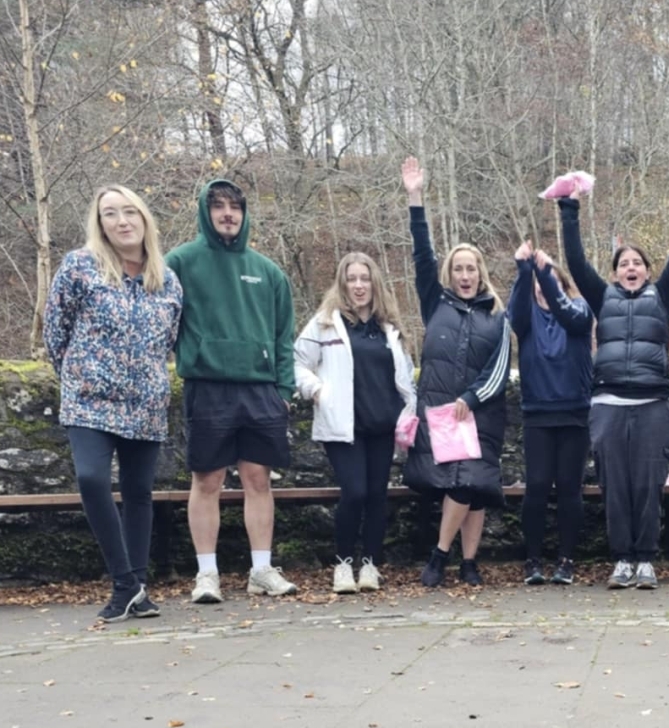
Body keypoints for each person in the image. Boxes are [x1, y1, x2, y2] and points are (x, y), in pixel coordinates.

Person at [44, 185, 182, 623]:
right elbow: (56, 330)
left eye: (129, 212)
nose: (121, 221)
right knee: (91, 479)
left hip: (145, 402)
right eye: (110, 214)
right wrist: (78, 374)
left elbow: (171, 339)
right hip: (88, 400)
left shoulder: (168, 279)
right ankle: (124, 582)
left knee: (139, 493)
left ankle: (136, 590)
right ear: (99, 224)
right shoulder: (80, 267)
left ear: (144, 219)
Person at [555, 172, 669, 589]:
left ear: (648, 271)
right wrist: (570, 208)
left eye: (637, 263)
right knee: (615, 487)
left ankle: (646, 560)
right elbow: (577, 262)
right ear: (615, 273)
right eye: (623, 264)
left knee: (647, 487)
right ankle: (621, 559)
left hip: (654, 405)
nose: (630, 268)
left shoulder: (663, 295)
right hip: (609, 406)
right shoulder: (604, 298)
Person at [168, 179, 297, 603]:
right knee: (207, 480)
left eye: (235, 207)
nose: (227, 213)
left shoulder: (269, 271)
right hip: (208, 387)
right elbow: (161, 320)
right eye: (218, 205)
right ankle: (207, 574)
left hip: (260, 392)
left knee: (259, 480)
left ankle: (261, 569)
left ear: (244, 213)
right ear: (205, 211)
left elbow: (283, 336)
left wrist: (283, 389)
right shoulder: (181, 262)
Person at [401, 157, 512, 588]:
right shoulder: (436, 302)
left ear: (481, 273)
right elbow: (421, 254)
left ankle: (447, 557)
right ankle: (462, 560)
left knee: (474, 487)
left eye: (472, 268)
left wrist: (471, 398)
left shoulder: (497, 315)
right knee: (461, 486)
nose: (465, 275)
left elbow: (500, 368)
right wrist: (416, 198)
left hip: (479, 413)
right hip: (442, 411)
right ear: (451, 273)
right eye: (459, 268)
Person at [294, 252, 417, 594]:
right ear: (342, 283)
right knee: (355, 492)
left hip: (382, 425)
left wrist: (410, 409)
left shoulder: (388, 328)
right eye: (352, 279)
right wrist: (316, 390)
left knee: (377, 495)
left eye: (365, 278)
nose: (359, 285)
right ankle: (344, 564)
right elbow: (297, 362)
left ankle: (371, 565)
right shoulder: (325, 322)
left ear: (374, 283)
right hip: (343, 427)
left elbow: (405, 376)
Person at [507, 241, 594, 586]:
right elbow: (515, 315)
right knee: (538, 486)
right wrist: (525, 271)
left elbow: (568, 314)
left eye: (553, 284)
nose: (545, 292)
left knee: (570, 487)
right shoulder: (527, 319)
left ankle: (566, 560)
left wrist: (545, 274)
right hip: (538, 415)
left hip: (574, 414)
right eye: (540, 288)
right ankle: (533, 560)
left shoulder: (581, 310)